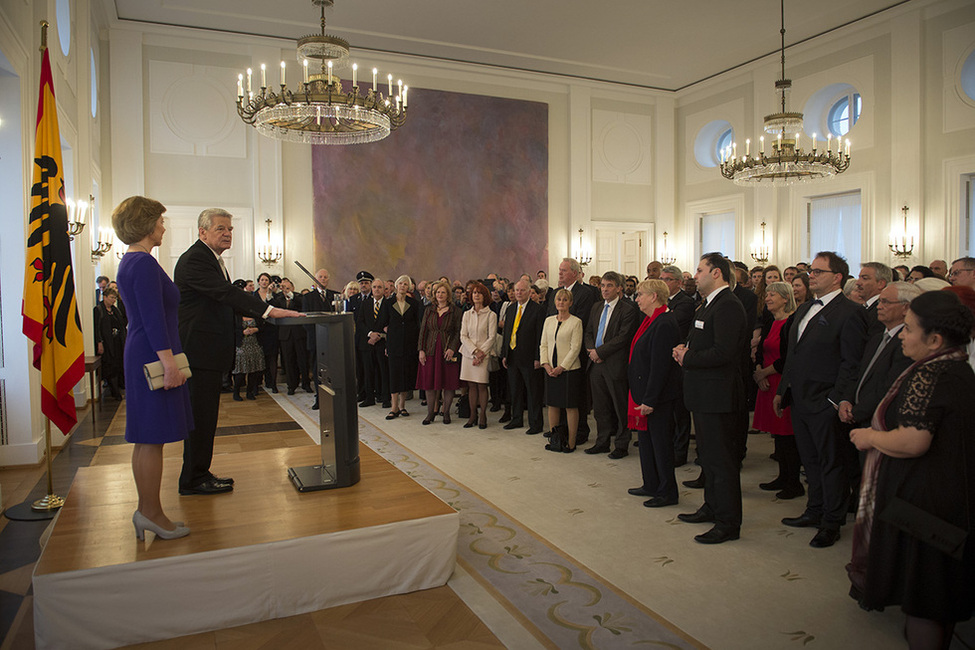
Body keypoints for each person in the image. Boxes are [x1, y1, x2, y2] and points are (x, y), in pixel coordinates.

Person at [847, 291, 975, 649]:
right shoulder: (957, 366)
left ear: (934, 339)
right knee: (939, 599)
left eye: (909, 328)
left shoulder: (931, 372)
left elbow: (914, 440)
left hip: (928, 506)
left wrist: (870, 436)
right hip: (947, 497)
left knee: (925, 599)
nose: (902, 335)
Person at [174, 208, 301, 496]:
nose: (228, 233)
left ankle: (200, 472)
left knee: (206, 416)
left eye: (230, 228)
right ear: (202, 231)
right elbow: (226, 294)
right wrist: (268, 310)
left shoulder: (211, 259)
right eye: (221, 228)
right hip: (199, 350)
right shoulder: (196, 258)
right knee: (200, 416)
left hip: (207, 350)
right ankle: (192, 479)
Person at [774, 251, 867, 548]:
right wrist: (782, 390)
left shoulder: (850, 312)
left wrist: (835, 400)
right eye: (811, 271)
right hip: (799, 398)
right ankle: (814, 510)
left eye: (818, 271)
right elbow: (793, 355)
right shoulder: (803, 310)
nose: (810, 275)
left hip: (824, 402)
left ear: (837, 277)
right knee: (810, 460)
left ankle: (832, 520)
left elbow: (851, 363)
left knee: (832, 463)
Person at [113, 196, 191, 540]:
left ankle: (149, 512)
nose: (163, 226)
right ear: (145, 224)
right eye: (160, 220)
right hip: (151, 354)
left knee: (147, 438)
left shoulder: (132, 261)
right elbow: (153, 318)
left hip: (142, 351)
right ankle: (151, 513)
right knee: (151, 437)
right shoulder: (142, 263)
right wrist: (169, 363)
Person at [672, 253, 748, 544]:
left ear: (716, 273)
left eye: (700, 269)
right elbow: (702, 341)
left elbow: (724, 353)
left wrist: (688, 356)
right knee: (709, 459)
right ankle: (711, 506)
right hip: (703, 394)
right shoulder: (709, 304)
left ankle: (728, 522)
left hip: (718, 395)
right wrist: (685, 348)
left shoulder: (728, 305)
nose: (695, 275)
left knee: (722, 462)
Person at [626, 279, 682, 507]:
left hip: (657, 397)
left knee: (661, 444)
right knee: (647, 441)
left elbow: (660, 367)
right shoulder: (650, 320)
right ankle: (651, 482)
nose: (637, 298)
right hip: (644, 392)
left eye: (641, 295)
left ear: (654, 297)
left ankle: (667, 491)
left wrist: (650, 399)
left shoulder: (664, 322)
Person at [584, 271, 640, 458]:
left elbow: (623, 337)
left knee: (619, 406)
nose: (605, 289)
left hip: (615, 365)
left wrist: (600, 352)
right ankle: (602, 442)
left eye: (609, 286)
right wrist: (592, 351)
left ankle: (622, 445)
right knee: (600, 408)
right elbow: (589, 332)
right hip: (596, 364)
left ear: (619, 288)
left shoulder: (628, 309)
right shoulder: (596, 307)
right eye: (603, 286)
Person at [752, 282, 800, 499]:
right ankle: (782, 476)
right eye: (768, 294)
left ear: (785, 298)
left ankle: (793, 482)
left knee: (787, 434)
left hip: (782, 382)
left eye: (773, 295)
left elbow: (788, 357)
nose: (768, 298)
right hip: (767, 381)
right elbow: (762, 350)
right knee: (777, 435)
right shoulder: (771, 321)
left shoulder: (792, 322)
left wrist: (764, 373)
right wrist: (759, 369)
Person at [540, 288, 584, 452]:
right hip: (550, 369)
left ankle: (571, 442)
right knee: (552, 405)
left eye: (565, 300)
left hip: (569, 370)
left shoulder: (576, 322)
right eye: (559, 300)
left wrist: (561, 367)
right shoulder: (549, 321)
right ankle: (555, 439)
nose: (561, 303)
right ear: (555, 302)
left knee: (570, 406)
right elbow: (543, 344)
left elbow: (575, 348)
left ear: (570, 303)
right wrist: (546, 364)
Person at [500, 279, 546, 435]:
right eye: (516, 290)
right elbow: (507, 333)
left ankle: (536, 423)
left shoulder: (538, 310)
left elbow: (540, 336)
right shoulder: (511, 309)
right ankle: (517, 418)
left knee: (533, 392)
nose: (518, 293)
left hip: (530, 357)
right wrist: (505, 354)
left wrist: (538, 357)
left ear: (529, 292)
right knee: (515, 390)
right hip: (512, 356)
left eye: (522, 290)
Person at [375, 275, 421, 419]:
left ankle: (402, 406)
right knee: (394, 374)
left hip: (409, 344)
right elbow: (381, 321)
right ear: (396, 286)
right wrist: (389, 331)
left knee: (405, 374)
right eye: (400, 283)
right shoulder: (388, 303)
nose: (402, 286)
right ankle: (394, 407)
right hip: (394, 344)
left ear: (409, 287)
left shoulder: (414, 303)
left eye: (405, 284)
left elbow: (417, 323)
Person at [417, 280, 463, 424]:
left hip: (447, 351)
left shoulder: (455, 311)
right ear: (434, 294)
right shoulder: (429, 310)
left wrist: (452, 348)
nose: (440, 295)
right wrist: (421, 350)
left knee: (448, 383)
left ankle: (446, 413)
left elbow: (458, 332)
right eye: (438, 292)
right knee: (429, 383)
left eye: (443, 292)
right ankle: (430, 413)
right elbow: (423, 331)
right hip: (430, 350)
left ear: (448, 294)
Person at [460, 282, 498, 429]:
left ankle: (483, 414)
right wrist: (475, 352)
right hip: (469, 354)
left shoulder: (491, 315)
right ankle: (472, 415)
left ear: (484, 296)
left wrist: (481, 354)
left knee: (482, 385)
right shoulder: (466, 314)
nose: (476, 295)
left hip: (484, 354)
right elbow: (463, 336)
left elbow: (492, 337)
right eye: (474, 293)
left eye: (479, 293)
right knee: (471, 386)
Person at [273, 278, 309, 396]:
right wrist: (269, 293)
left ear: (292, 288)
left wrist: (290, 295)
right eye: (283, 288)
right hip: (285, 334)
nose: (285, 290)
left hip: (299, 333)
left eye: (288, 288)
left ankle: (306, 383)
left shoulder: (299, 297)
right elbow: (271, 306)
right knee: (289, 361)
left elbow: (302, 304)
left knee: (302, 360)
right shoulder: (279, 299)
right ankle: (291, 385)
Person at [94, 287, 127, 400]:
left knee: (118, 364)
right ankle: (114, 391)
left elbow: (122, 324)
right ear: (105, 297)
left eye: (115, 298)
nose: (113, 300)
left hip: (117, 342)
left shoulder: (115, 310)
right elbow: (97, 328)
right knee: (110, 366)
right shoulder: (98, 310)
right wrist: (100, 342)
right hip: (107, 343)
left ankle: (119, 387)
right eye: (112, 298)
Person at [254, 272, 278, 393]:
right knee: (259, 357)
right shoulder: (253, 295)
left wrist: (270, 296)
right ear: (258, 282)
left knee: (272, 357)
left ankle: (272, 383)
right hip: (258, 330)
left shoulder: (273, 296)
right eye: (262, 280)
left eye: (266, 280)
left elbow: (276, 309)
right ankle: (257, 384)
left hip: (271, 330)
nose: (264, 282)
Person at [232, 316, 264, 401]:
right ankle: (236, 392)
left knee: (254, 370)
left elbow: (264, 327)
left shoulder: (256, 315)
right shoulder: (236, 316)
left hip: (255, 345)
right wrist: (243, 332)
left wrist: (256, 329)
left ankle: (250, 392)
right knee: (240, 370)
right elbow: (231, 330)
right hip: (241, 346)